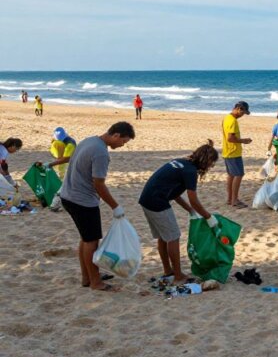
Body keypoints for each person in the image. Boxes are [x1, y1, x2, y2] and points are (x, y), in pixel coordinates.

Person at [58, 122, 135, 291]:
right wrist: (115, 207)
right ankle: (95, 282)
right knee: (91, 241)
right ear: (116, 135)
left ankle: (88, 277)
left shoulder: (89, 140)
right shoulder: (101, 153)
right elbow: (99, 184)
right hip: (82, 201)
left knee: (86, 239)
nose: (122, 145)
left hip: (68, 195)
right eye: (123, 142)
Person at [138, 140, 219, 283]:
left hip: (146, 199)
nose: (211, 167)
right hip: (157, 201)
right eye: (211, 163)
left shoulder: (181, 162)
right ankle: (177, 275)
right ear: (205, 160)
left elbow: (175, 193)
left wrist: (189, 210)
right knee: (173, 236)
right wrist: (208, 217)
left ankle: (168, 271)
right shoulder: (190, 172)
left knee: (163, 237)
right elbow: (193, 199)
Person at [222, 101, 252, 208]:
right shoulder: (233, 121)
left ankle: (230, 199)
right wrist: (243, 140)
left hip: (227, 151)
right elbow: (230, 138)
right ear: (239, 108)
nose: (242, 115)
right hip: (233, 152)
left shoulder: (226, 118)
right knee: (239, 175)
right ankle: (234, 200)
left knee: (231, 175)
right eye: (243, 112)